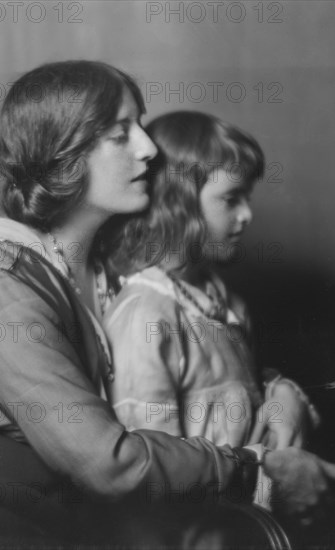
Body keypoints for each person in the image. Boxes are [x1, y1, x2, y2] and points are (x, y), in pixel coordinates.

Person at [0, 64, 335, 549]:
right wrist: (254, 467)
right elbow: (108, 465)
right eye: (120, 134)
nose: (149, 148)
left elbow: (211, 363)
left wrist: (281, 393)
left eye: (141, 124)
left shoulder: (112, 273)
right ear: (64, 154)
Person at [103, 111, 320, 452]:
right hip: (208, 502)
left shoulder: (225, 303)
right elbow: (156, 463)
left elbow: (246, 395)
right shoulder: (145, 316)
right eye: (231, 199)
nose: (247, 215)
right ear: (178, 203)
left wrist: (283, 393)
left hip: (257, 497)